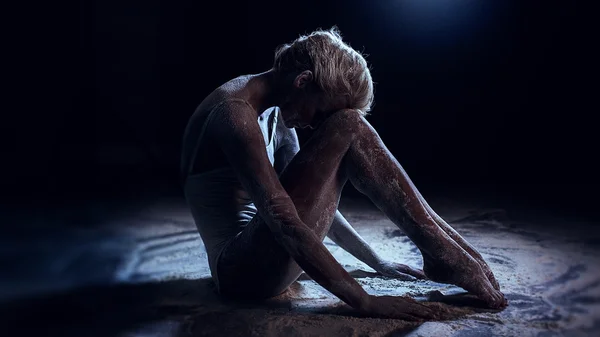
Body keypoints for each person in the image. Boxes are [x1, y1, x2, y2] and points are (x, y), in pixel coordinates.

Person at [181, 27, 507, 321]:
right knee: (348, 125)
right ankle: (442, 252)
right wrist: (364, 301)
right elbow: (284, 220)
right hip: (241, 274)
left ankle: (445, 247)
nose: (315, 125)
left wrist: (377, 262)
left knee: (349, 124)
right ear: (303, 81)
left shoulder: (279, 116)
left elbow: (311, 207)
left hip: (272, 260)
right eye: (320, 112)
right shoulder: (233, 113)